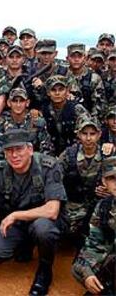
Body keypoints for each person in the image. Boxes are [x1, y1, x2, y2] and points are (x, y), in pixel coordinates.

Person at [0, 128, 68, 296]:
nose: (14, 155)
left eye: (19, 149)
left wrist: (15, 215)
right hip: (18, 225)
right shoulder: (1, 174)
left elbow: (52, 210)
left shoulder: (48, 166)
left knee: (43, 228)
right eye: (9, 150)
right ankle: (25, 245)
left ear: (30, 150)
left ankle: (45, 271)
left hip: (44, 221)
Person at [59, 116, 112, 249]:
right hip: (74, 205)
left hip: (99, 206)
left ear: (99, 135)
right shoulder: (68, 155)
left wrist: (110, 191)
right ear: (78, 134)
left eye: (92, 134)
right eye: (84, 133)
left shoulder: (108, 155)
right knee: (63, 231)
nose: (88, 138)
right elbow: (54, 179)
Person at [72, 156, 116, 295]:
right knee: (78, 268)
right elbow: (94, 245)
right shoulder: (104, 207)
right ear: (104, 181)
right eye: (112, 178)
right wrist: (88, 274)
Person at [0, 88, 54, 167]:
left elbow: (46, 149)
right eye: (15, 101)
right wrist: (7, 167)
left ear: (27, 103)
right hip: (9, 166)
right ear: (8, 103)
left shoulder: (36, 120)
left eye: (21, 101)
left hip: (34, 165)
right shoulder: (2, 121)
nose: (18, 105)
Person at [41, 75, 89, 155]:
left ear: (67, 91)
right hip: (51, 151)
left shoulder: (77, 109)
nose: (57, 93)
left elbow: (87, 132)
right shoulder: (44, 111)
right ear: (48, 93)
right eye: (53, 90)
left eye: (61, 89)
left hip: (75, 152)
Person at [66, 43, 105, 119]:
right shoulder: (61, 75)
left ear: (85, 58)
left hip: (88, 119)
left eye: (79, 56)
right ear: (67, 58)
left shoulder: (94, 78)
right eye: (73, 56)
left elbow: (99, 105)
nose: (76, 59)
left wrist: (91, 122)